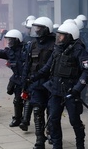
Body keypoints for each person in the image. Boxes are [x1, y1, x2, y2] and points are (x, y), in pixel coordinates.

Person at [31, 22, 88, 149]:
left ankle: (80, 144)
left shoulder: (79, 50)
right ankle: (57, 145)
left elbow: (87, 71)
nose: (58, 37)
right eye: (58, 35)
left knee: (74, 121)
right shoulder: (57, 49)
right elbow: (48, 67)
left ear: (70, 36)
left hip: (71, 91)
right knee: (53, 119)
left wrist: (77, 89)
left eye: (62, 36)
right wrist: (33, 77)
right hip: (55, 90)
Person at [20, 17, 55, 149]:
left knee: (52, 112)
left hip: (51, 84)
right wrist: (25, 83)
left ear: (46, 29)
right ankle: (40, 139)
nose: (36, 30)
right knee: (37, 111)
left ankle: (51, 133)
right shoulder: (33, 44)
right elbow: (27, 66)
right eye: (36, 28)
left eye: (39, 28)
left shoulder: (55, 44)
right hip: (36, 83)